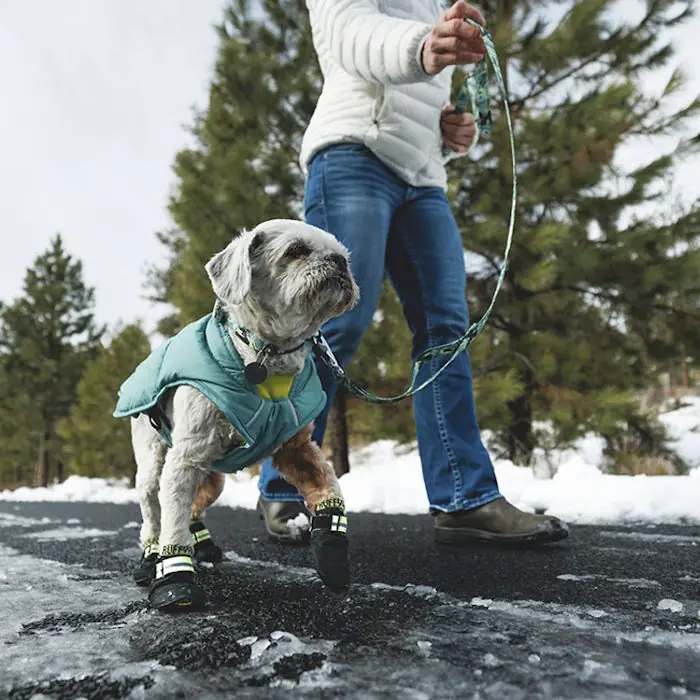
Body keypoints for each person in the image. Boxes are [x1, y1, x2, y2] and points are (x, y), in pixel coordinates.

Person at [256, 0, 569, 546]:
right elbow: (347, 30)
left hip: (423, 179)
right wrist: (421, 48)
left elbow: (429, 96)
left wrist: (454, 130)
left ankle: (464, 498)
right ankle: (286, 481)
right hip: (352, 155)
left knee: (447, 327)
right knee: (335, 323)